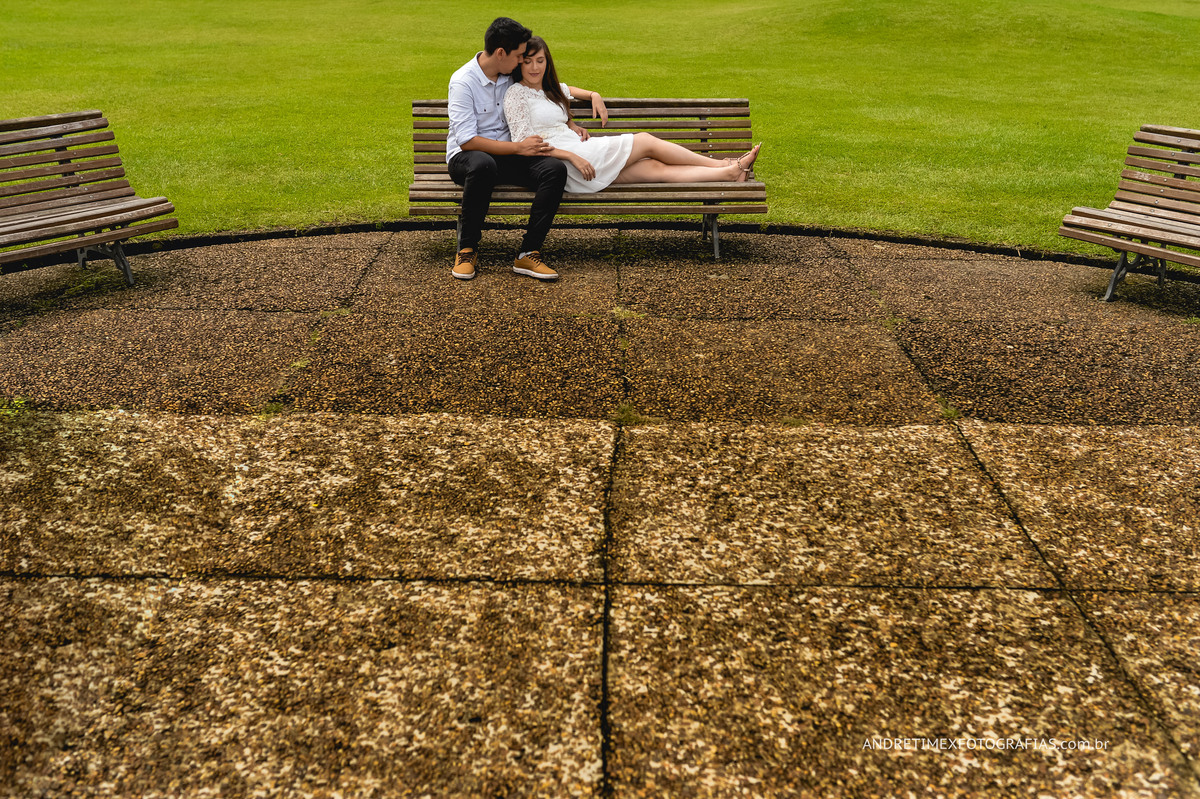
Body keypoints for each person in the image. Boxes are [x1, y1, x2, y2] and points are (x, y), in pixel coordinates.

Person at [502, 36, 760, 195]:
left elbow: (575, 92)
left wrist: (594, 95)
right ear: (519, 63)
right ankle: (723, 164)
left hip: (581, 153)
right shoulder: (516, 94)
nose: (535, 67)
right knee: (646, 140)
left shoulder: (553, 89)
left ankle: (729, 173)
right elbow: (525, 143)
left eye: (540, 60)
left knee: (654, 169)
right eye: (528, 61)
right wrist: (571, 155)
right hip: (563, 161)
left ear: (547, 62)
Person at [446, 18, 567, 281]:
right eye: (519, 56)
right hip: (466, 160)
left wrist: (589, 98)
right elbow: (467, 141)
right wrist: (518, 147)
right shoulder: (463, 82)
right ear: (501, 53)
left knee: (554, 169)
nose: (523, 62)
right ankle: (467, 249)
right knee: (482, 164)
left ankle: (528, 253)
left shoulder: (509, 72)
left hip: (509, 155)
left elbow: (547, 85)